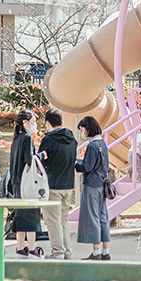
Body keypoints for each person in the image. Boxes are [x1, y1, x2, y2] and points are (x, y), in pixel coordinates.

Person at [38, 108, 76, 259]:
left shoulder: (48, 140)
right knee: (63, 220)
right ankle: (67, 251)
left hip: (53, 185)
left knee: (52, 221)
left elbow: (39, 162)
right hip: (68, 185)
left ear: (48, 123)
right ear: (61, 121)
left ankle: (58, 252)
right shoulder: (72, 139)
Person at [75, 115, 110, 260]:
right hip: (102, 183)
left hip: (91, 184)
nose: (82, 133)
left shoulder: (92, 146)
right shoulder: (102, 143)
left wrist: (76, 164)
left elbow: (87, 167)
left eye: (82, 129)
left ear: (88, 129)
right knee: (102, 217)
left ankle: (96, 252)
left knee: (92, 217)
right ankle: (105, 251)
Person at [9, 109, 42, 258]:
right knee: (31, 215)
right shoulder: (27, 138)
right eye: (33, 121)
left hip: (16, 183)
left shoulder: (15, 139)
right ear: (25, 122)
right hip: (26, 183)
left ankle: (20, 248)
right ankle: (33, 249)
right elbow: (30, 160)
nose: (35, 125)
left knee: (20, 216)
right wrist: (41, 155)